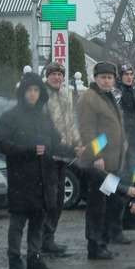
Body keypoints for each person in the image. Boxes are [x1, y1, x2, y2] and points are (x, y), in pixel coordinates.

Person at [0, 72, 73, 269]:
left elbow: (55, 144)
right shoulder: (10, 116)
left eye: (36, 90)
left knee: (38, 221)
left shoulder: (44, 118)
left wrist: (74, 150)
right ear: (23, 92)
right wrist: (27, 150)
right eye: (29, 90)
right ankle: (14, 263)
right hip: (21, 179)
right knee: (18, 223)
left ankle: (34, 260)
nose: (33, 94)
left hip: (43, 179)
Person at [77, 62, 127, 260]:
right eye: (103, 77)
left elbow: (113, 128)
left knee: (109, 202)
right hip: (99, 165)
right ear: (95, 78)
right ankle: (95, 246)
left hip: (112, 163)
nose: (107, 81)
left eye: (110, 77)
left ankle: (104, 242)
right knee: (97, 205)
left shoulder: (108, 97)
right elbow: (87, 130)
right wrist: (96, 155)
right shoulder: (89, 98)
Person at [41, 62, 84, 258]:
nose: (57, 78)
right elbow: (43, 126)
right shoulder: (42, 97)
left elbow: (71, 124)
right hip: (48, 155)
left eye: (60, 74)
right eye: (54, 74)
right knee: (49, 200)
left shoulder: (66, 96)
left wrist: (78, 143)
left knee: (58, 200)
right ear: (47, 76)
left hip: (64, 155)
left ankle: (49, 238)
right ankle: (41, 240)